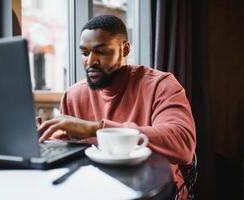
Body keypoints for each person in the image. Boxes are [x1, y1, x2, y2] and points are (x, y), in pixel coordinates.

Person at [37, 15, 196, 196]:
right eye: (85, 53)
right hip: (97, 191)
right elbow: (69, 153)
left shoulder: (162, 85)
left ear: (125, 49)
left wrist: (95, 129)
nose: (90, 61)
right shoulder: (73, 95)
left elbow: (183, 145)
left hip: (158, 192)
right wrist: (42, 138)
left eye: (101, 52)